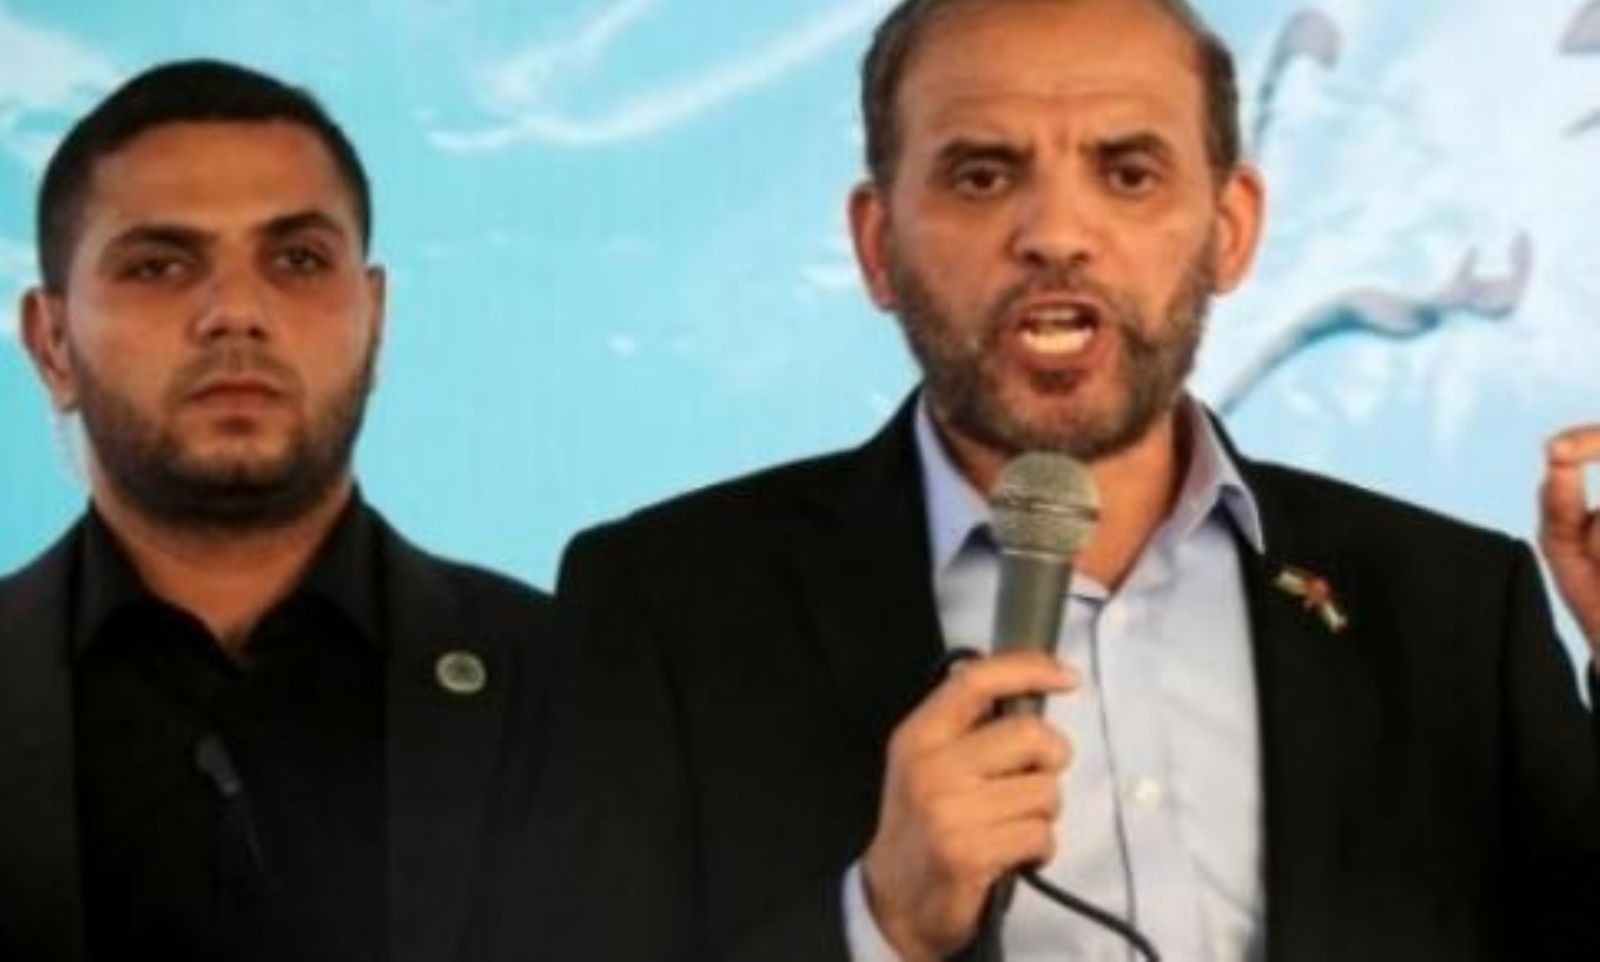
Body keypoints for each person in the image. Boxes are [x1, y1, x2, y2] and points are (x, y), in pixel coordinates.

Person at [556, 1, 1600, 960]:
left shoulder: (1454, 603)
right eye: (981, 176)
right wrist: (881, 925)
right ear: (877, 247)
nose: (1056, 234)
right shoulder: (665, 603)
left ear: (1230, 228)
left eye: (1129, 173)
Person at [0, 60, 553, 962]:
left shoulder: (570, 688)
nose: (236, 312)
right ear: (52, 343)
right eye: (159, 265)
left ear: (375, 320)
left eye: (297, 260)